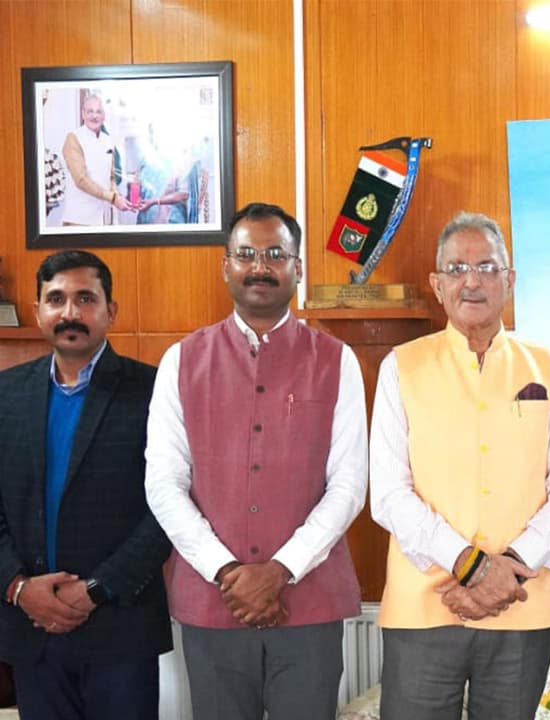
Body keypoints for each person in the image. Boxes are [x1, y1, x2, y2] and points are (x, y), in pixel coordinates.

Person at [145, 202, 367, 720]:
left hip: (310, 602)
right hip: (212, 602)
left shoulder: (337, 360)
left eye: (275, 254)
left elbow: (350, 483)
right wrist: (226, 571)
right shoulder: (181, 361)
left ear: (298, 267)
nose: (260, 266)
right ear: (226, 266)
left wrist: (282, 570)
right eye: (246, 254)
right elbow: (164, 482)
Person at [369, 211, 550, 720]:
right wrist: (470, 566)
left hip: (522, 602)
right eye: (457, 268)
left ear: (509, 281)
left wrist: (506, 570)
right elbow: (388, 493)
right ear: (437, 284)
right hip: (426, 604)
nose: (472, 280)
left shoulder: (549, 368)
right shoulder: (401, 367)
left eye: (487, 266)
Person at [0, 250, 172, 719]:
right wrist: (19, 587)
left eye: (85, 298)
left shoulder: (155, 392)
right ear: (38, 311)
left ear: (109, 311)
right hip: (32, 628)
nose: (70, 312)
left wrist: (97, 589)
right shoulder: (6, 393)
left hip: (120, 627)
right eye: (55, 299)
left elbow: (171, 508)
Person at [61, 93, 131, 226]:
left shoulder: (108, 140)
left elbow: (111, 177)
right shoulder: (73, 138)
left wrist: (118, 196)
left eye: (98, 112)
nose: (94, 116)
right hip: (78, 220)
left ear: (103, 116)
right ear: (83, 114)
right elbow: (81, 180)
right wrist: (113, 198)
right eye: (90, 111)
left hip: (103, 219)